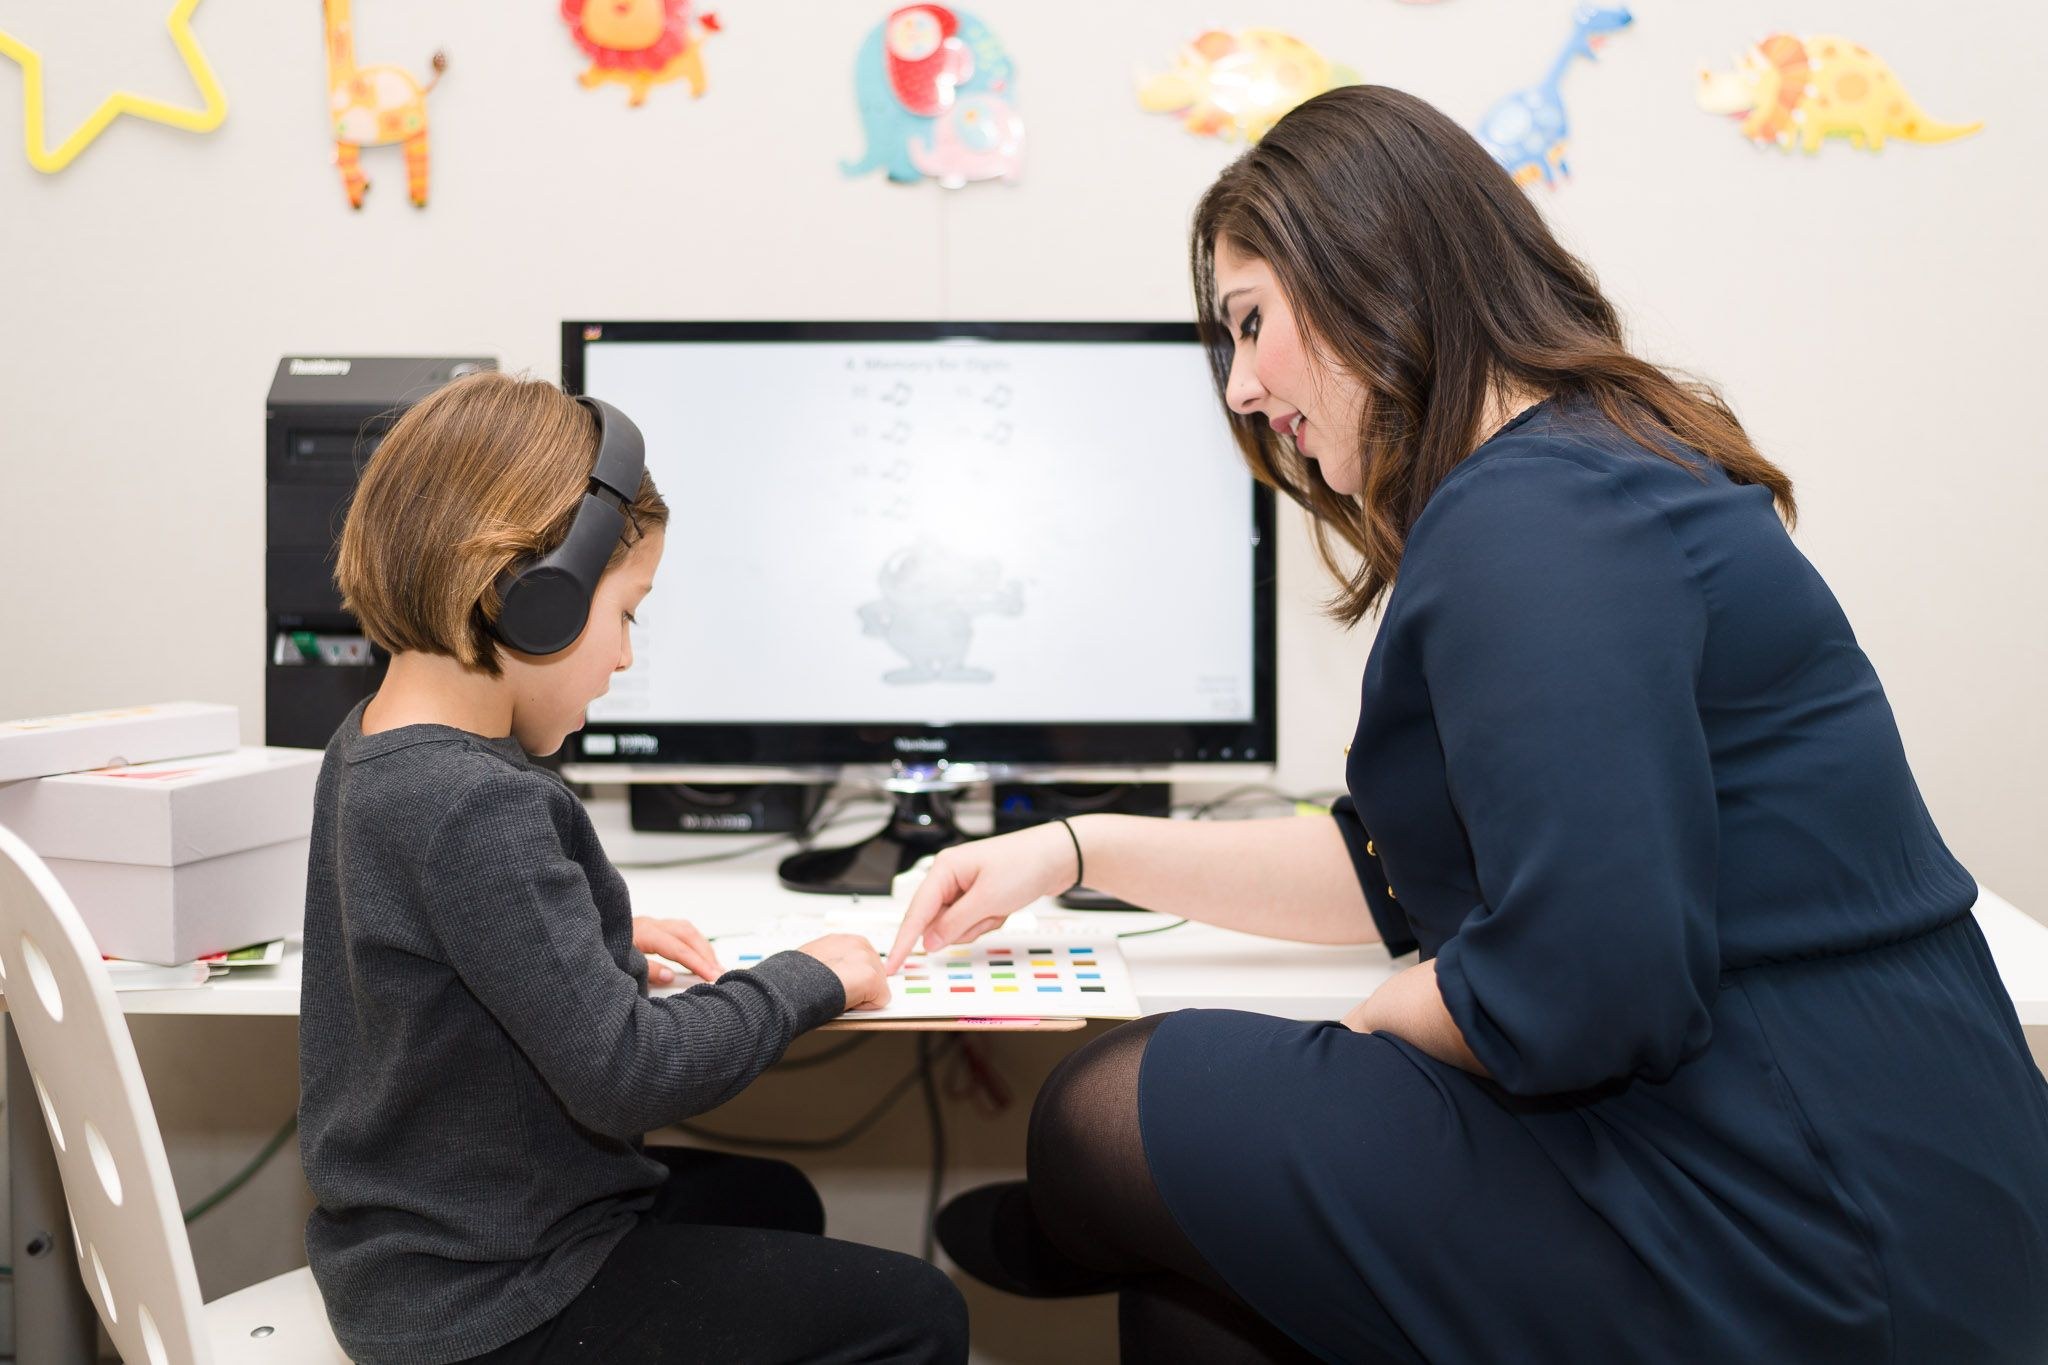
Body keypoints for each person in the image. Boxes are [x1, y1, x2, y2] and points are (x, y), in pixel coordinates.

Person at [889, 86, 2048, 1363]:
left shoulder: (1529, 528)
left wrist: (1396, 1013)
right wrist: (1074, 848)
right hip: (1869, 1156)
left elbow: (1592, 989)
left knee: (1105, 1110)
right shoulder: (1593, 467)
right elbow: (1389, 861)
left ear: (1369, 263)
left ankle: (1080, 1218)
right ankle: (1101, 1226)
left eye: (1250, 322)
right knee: (1202, 1279)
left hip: (1797, 1216)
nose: (1238, 386)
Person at [301, 371, 968, 1365]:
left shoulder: (374, 744)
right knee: (917, 1312)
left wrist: (594, 939)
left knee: (773, 1201)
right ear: (530, 599)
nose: (622, 658)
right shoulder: (475, 803)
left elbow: (462, 947)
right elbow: (630, 1075)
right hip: (493, 1304)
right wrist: (808, 978)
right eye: (625, 613)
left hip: (431, 1249)